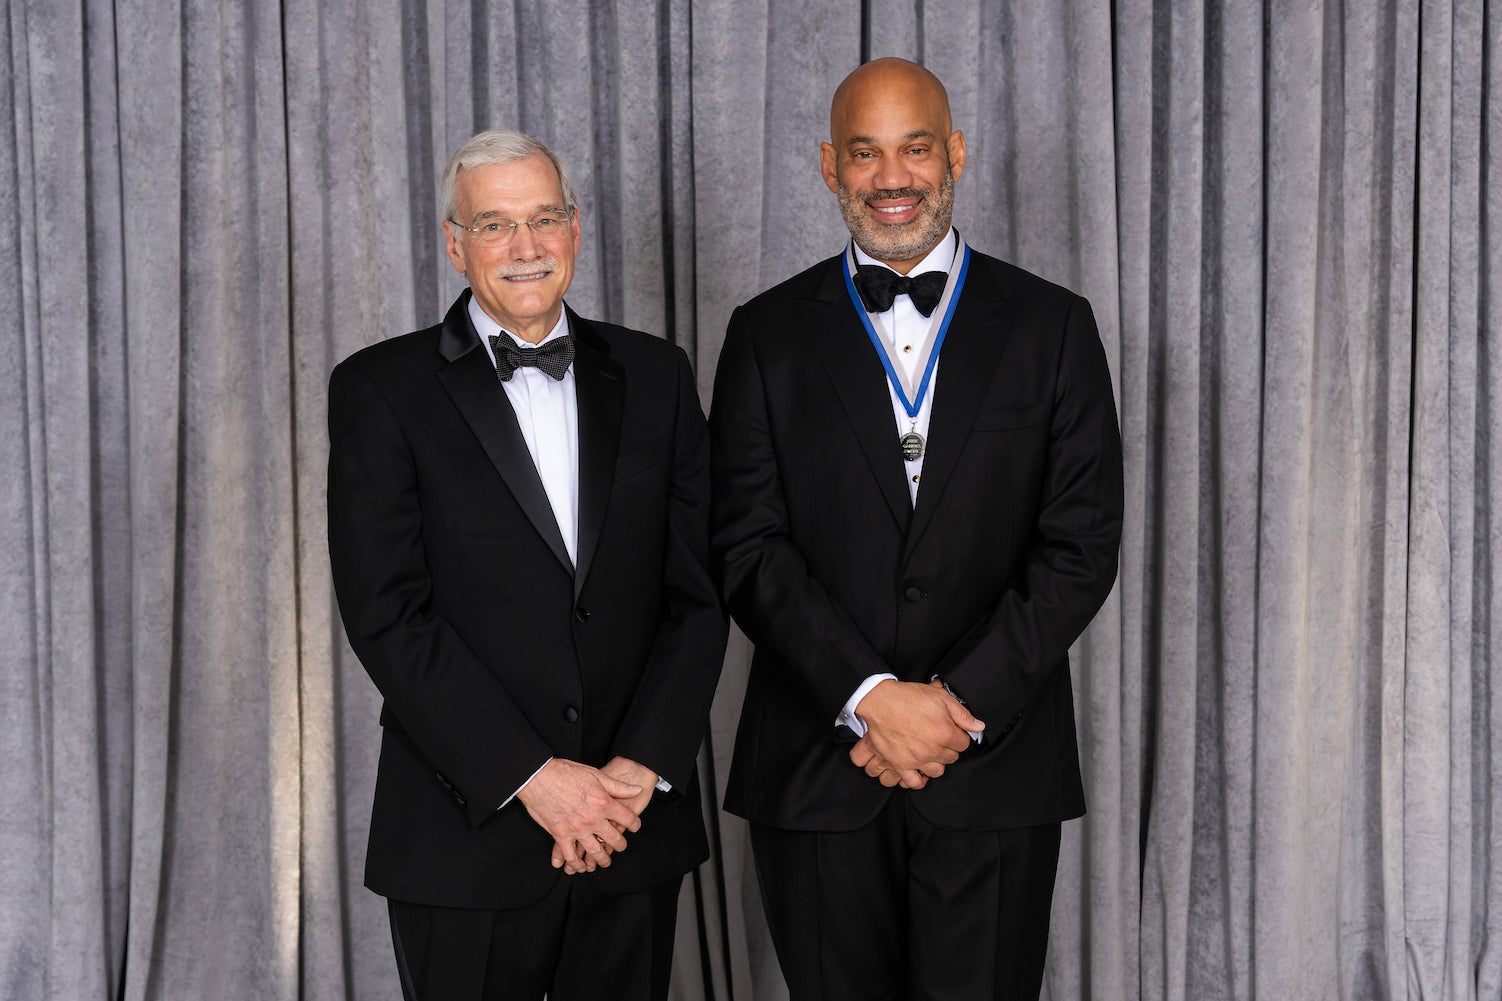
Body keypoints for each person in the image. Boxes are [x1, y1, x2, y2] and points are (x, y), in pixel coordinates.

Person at [710, 58, 1123, 1000]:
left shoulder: (1054, 326)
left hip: (996, 765)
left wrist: (955, 703)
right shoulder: (764, 333)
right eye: (865, 153)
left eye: (915, 148)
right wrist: (868, 695)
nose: (892, 178)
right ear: (828, 166)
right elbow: (745, 544)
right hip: (818, 768)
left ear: (957, 154)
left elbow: (1082, 542)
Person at [327, 129, 726, 1001]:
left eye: (544, 218)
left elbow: (698, 596)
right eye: (496, 224)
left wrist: (637, 772)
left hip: (630, 828)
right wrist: (537, 780)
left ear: (576, 229)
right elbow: (389, 616)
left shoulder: (658, 375)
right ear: (454, 241)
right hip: (464, 833)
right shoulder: (379, 389)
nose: (525, 247)